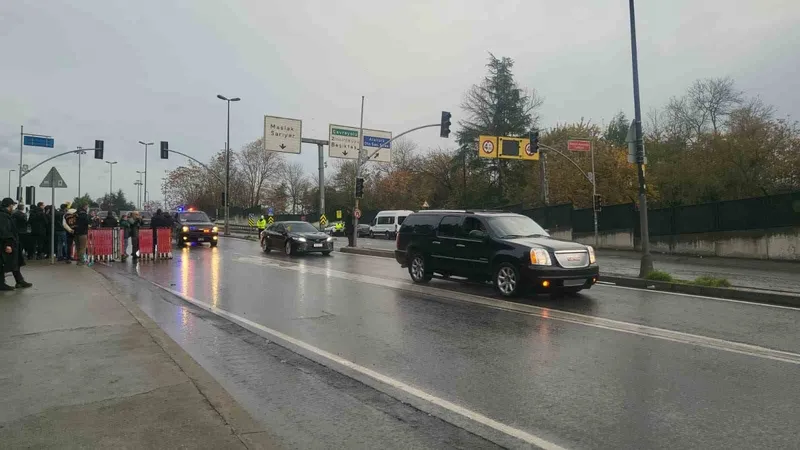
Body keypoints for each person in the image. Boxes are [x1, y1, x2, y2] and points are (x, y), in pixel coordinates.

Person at [0, 198, 32, 290]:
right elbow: (4, 231)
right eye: (12, 205)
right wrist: (8, 244)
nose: (13, 207)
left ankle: (19, 280)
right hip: (6, 243)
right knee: (3, 263)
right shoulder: (3, 216)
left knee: (15, 262)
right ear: (9, 205)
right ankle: (2, 284)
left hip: (11, 242)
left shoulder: (7, 215)